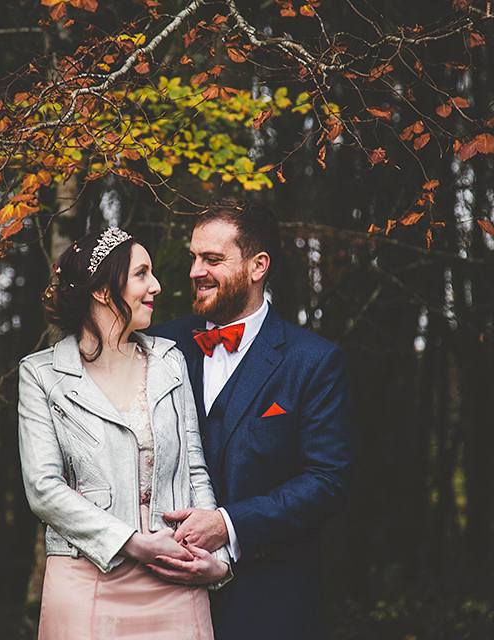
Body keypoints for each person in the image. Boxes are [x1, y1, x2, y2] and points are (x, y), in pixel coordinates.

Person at [148, 197, 353, 640]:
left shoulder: (313, 361)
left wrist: (228, 523)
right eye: (193, 258)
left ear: (258, 266)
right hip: (157, 595)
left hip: (268, 601)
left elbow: (327, 480)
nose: (194, 271)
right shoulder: (159, 346)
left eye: (212, 259)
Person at [17, 227, 231, 640]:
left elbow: (194, 469)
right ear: (102, 290)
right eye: (141, 274)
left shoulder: (170, 360)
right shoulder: (40, 374)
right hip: (86, 577)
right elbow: (43, 489)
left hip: (176, 573)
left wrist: (216, 561)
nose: (156, 285)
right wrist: (133, 542)